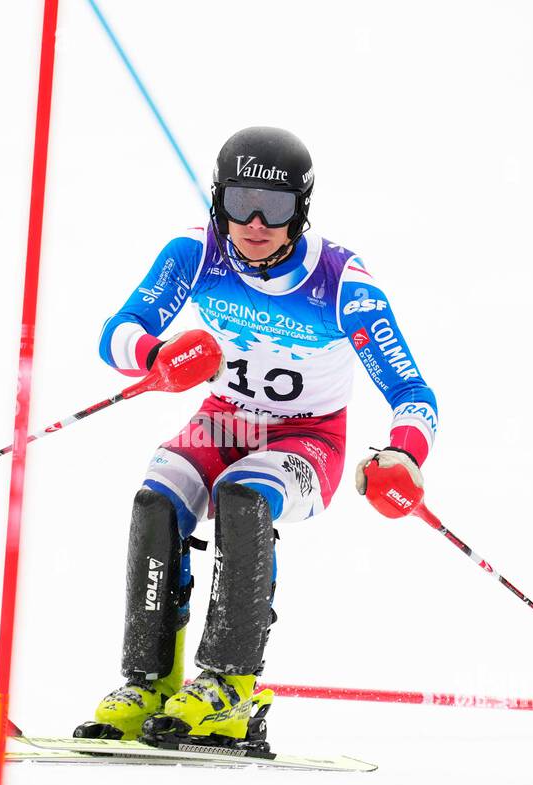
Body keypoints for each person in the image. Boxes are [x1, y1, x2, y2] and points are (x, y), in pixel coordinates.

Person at [77, 126, 438, 748]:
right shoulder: (196, 253)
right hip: (227, 417)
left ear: (302, 208)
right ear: (217, 198)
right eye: (241, 200)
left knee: (242, 496)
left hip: (309, 437)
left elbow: (413, 395)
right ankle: (149, 682)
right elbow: (117, 331)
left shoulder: (343, 284)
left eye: (275, 207)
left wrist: (403, 455)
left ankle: (228, 687)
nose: (255, 222)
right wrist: (156, 355)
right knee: (158, 495)